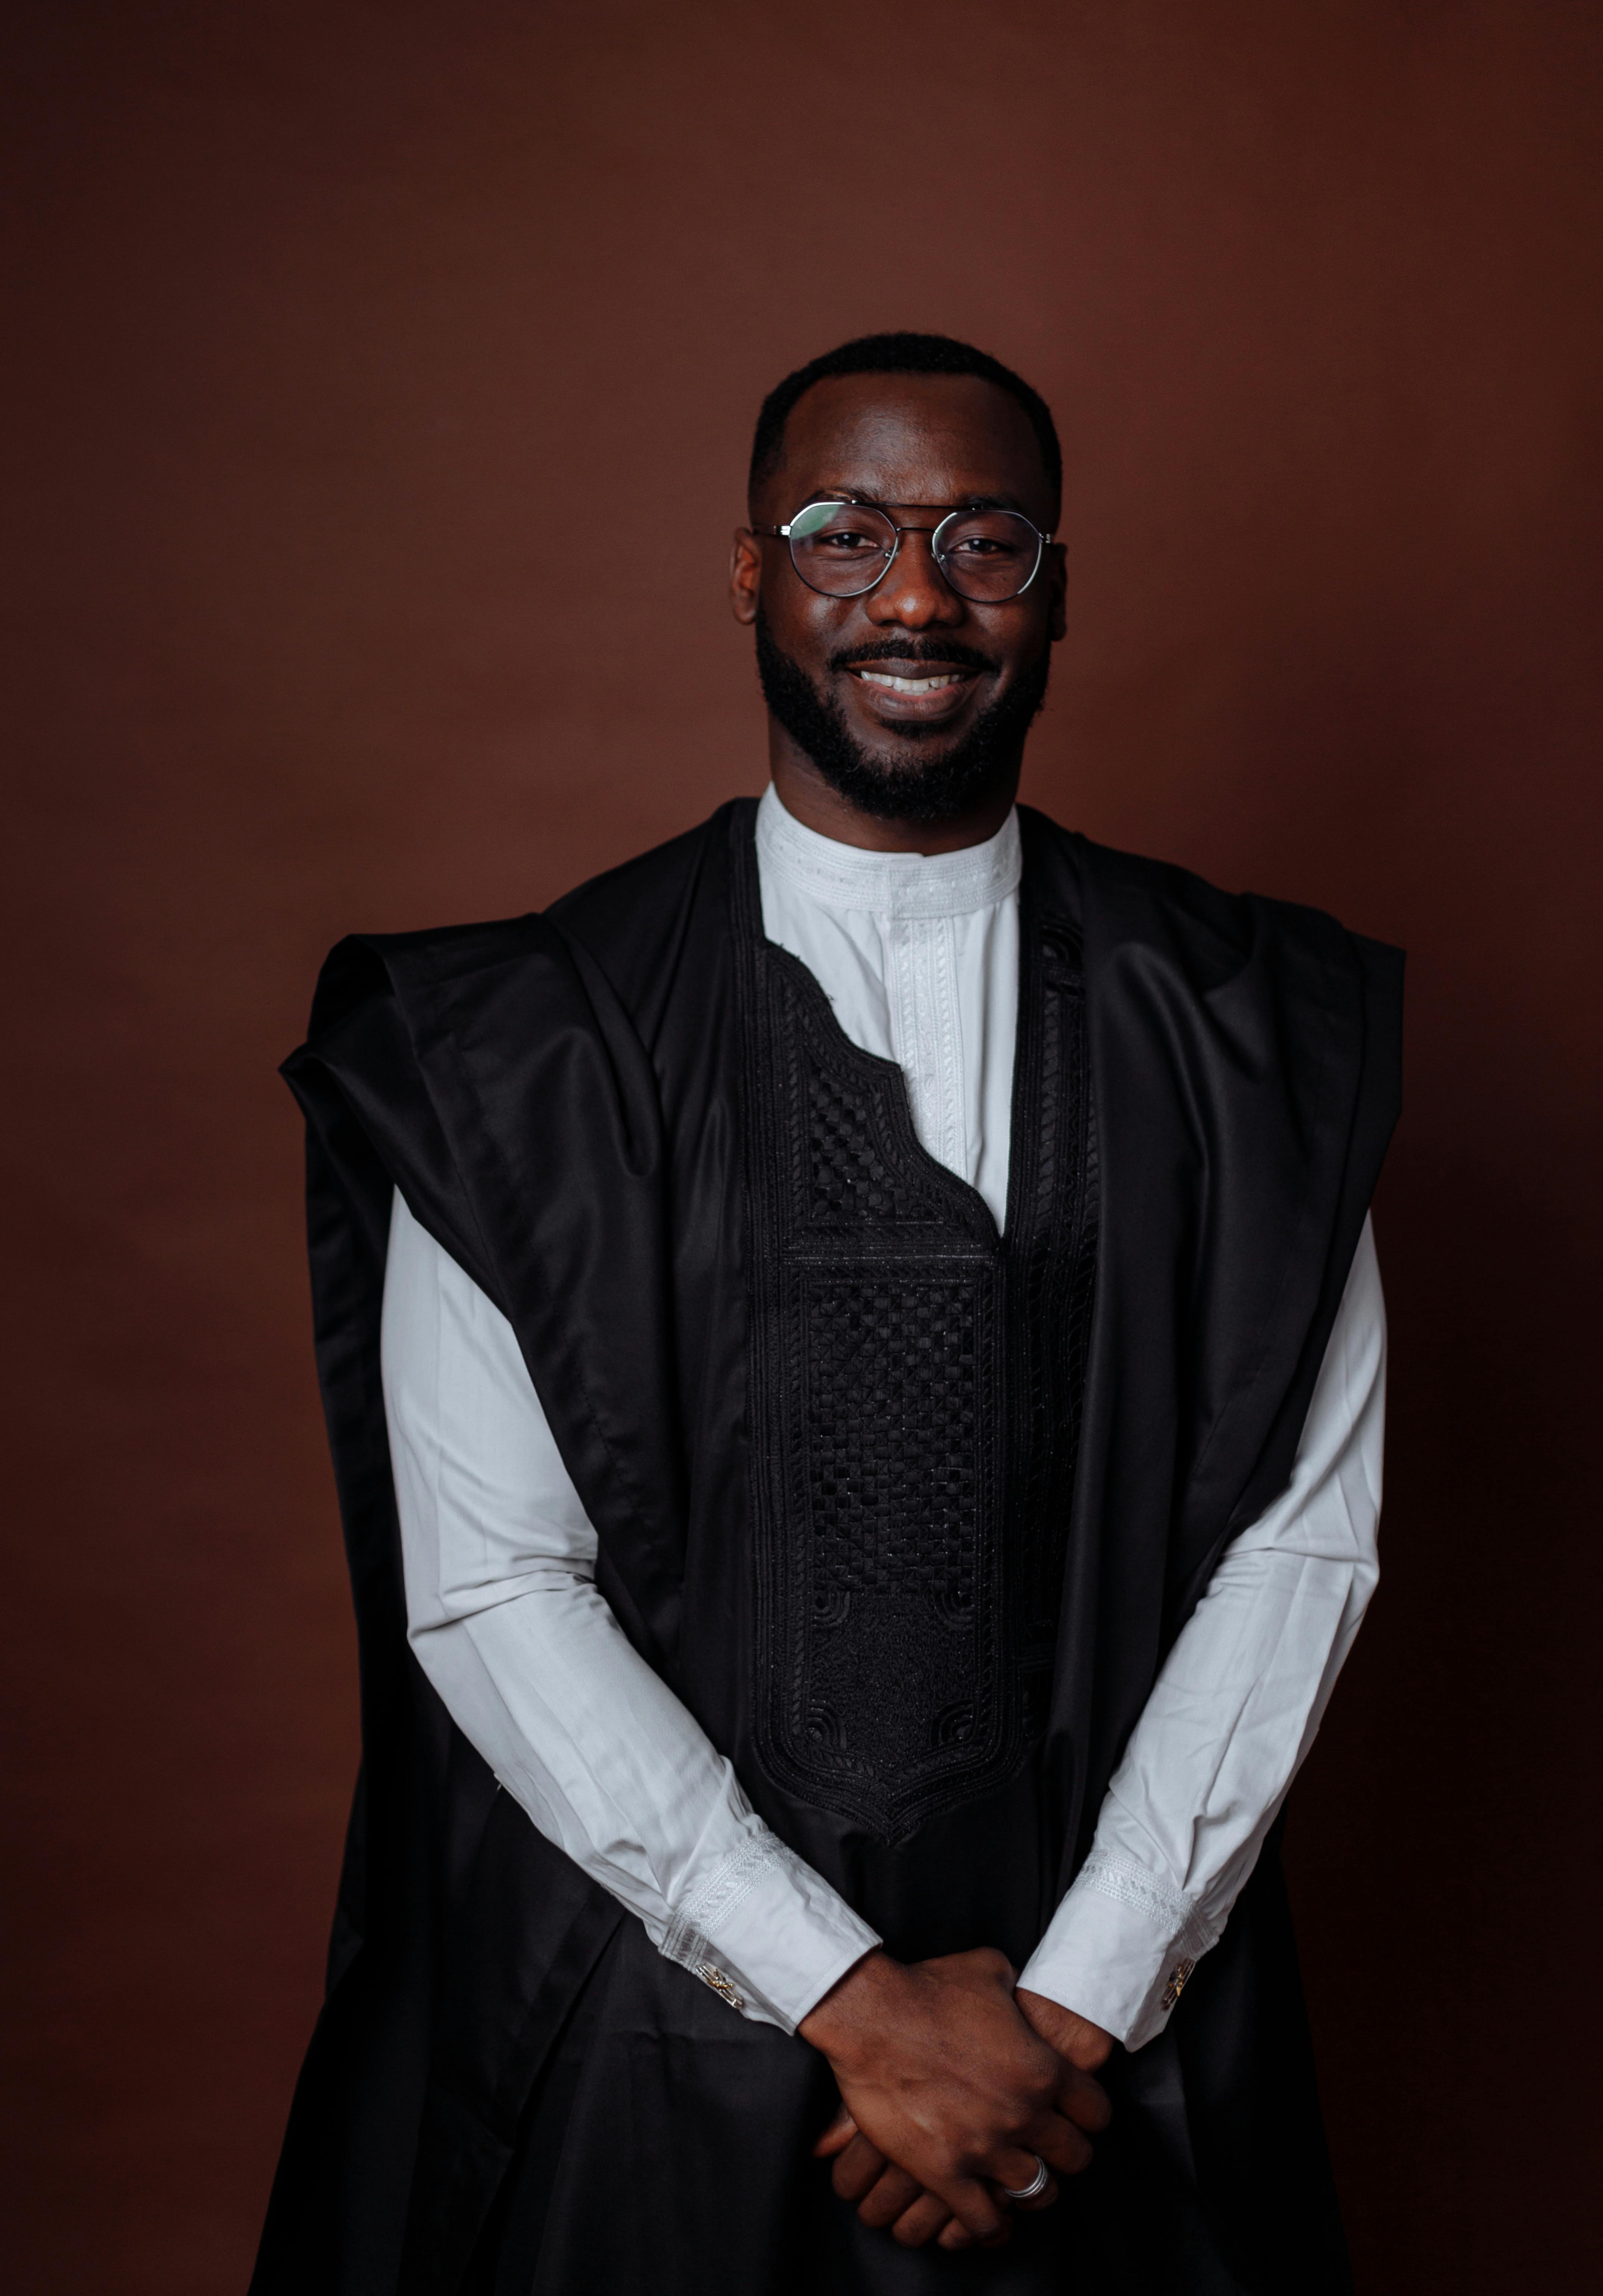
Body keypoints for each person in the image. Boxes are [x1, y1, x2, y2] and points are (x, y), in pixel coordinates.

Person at [253, 333, 1400, 2296]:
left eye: (984, 538)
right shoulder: (515, 1053)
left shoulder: (1248, 1035)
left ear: (1054, 591)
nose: (914, 592)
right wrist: (852, 2005)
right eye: (841, 531)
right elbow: (495, 1591)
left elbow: (1305, 1545)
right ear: (748, 578)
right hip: (650, 2046)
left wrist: (1074, 2006)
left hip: (1106, 2051)